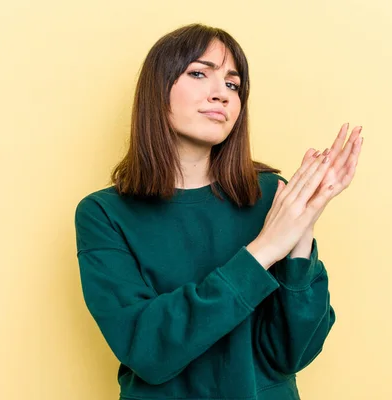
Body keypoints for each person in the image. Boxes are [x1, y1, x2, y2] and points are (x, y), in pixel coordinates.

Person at [74, 23, 363, 400]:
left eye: (232, 84)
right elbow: (149, 351)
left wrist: (300, 234)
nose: (222, 95)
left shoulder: (271, 195)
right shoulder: (104, 214)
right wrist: (263, 250)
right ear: (157, 92)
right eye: (199, 73)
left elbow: (293, 353)